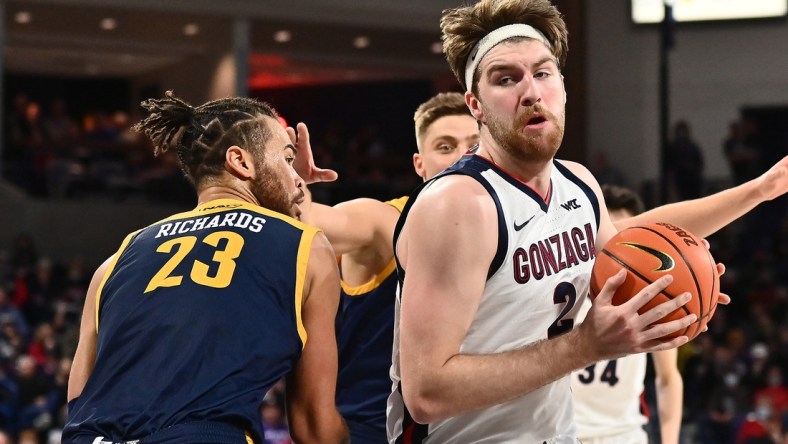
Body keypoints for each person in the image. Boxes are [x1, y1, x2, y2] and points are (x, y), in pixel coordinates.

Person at [384, 0, 788, 441]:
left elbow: (637, 246)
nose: (531, 92)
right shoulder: (458, 204)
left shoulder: (577, 183)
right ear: (475, 105)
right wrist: (585, 346)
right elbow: (426, 392)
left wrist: (757, 193)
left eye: (543, 73)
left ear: (561, 84)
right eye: (506, 79)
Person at [63, 91, 348, 444]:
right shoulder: (306, 245)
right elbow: (314, 426)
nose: (297, 178)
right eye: (288, 160)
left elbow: (78, 400)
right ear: (241, 162)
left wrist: (285, 183)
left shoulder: (114, 261)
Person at [294, 92, 478, 443]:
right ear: (419, 164)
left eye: (473, 145)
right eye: (444, 146)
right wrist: (291, 188)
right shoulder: (387, 221)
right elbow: (316, 221)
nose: (462, 157)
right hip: (373, 432)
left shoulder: (513, 227)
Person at [571, 184, 683, 444]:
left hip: (625, 435)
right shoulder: (564, 289)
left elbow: (668, 378)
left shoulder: (650, 298)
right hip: (563, 432)